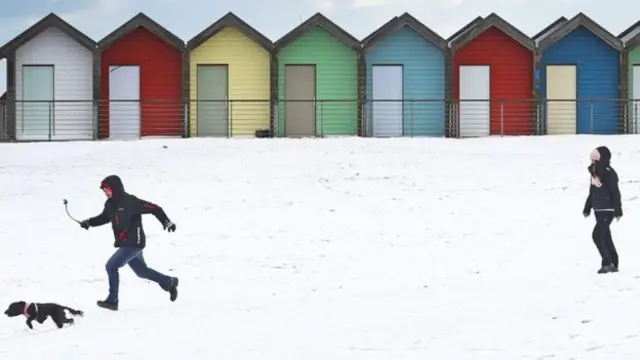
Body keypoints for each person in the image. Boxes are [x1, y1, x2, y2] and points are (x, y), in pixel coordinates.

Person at [80, 175, 179, 310]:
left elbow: (155, 208)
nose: (105, 192)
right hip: (125, 244)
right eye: (104, 190)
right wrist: (89, 222)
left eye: (107, 189)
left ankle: (112, 300)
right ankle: (168, 281)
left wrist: (166, 221)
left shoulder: (131, 201)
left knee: (111, 266)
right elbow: (104, 218)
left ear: (115, 188)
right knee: (141, 271)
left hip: (134, 243)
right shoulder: (109, 205)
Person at [583, 146, 622, 274]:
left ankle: (606, 262)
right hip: (598, 210)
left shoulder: (609, 173)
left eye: (596, 161)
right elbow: (592, 192)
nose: (593, 163)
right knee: (605, 237)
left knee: (597, 236)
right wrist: (588, 207)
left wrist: (618, 209)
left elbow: (615, 193)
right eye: (592, 161)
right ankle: (614, 262)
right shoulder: (594, 173)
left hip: (608, 210)